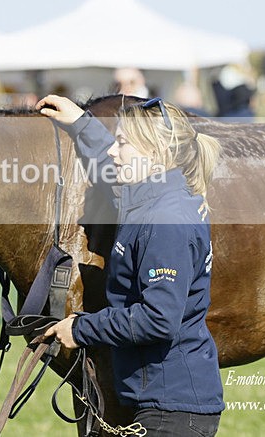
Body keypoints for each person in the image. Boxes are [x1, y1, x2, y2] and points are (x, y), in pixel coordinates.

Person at [36, 94, 225, 435]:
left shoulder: (165, 221)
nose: (113, 150)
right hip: (161, 402)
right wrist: (81, 122)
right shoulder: (150, 198)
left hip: (172, 411)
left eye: (122, 143)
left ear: (155, 155)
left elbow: (159, 319)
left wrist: (81, 330)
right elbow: (109, 166)